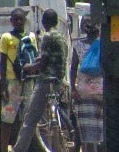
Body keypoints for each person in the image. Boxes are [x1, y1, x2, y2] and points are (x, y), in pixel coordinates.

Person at [13, 9, 68, 152]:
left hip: (46, 81)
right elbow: (48, 57)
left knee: (30, 118)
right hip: (58, 80)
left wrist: (27, 67)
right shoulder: (61, 37)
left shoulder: (47, 36)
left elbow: (41, 63)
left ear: (44, 22)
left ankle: (19, 149)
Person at [0, 8, 37, 152]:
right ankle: (4, 148)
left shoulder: (31, 37)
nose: (19, 22)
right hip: (12, 81)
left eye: (21, 19)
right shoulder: (6, 37)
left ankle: (22, 147)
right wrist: (3, 86)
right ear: (11, 21)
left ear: (25, 20)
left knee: (27, 118)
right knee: (7, 118)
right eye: (16, 19)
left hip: (28, 81)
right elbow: (2, 63)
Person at [70, 19, 103, 152]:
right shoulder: (103, 45)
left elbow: (73, 69)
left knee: (86, 131)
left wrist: (73, 89)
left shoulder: (78, 46)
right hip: (101, 91)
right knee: (101, 128)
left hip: (83, 92)